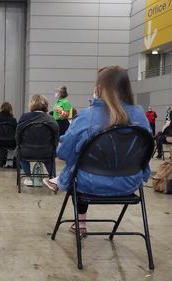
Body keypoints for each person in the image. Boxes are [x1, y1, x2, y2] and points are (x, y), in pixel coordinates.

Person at [42, 66, 151, 237]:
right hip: (130, 182)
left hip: (90, 184)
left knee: (75, 167)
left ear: (99, 88)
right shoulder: (140, 115)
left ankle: (81, 223)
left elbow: (63, 152)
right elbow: (146, 150)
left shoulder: (87, 116)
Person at [17, 95, 59, 186]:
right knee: (50, 157)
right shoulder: (51, 119)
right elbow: (56, 138)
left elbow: (17, 137)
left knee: (19, 153)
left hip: (26, 152)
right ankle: (52, 178)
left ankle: (28, 178)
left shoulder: (24, 118)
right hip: (46, 152)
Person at [0, 102, 17, 168]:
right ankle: (10, 163)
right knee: (14, 144)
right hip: (11, 142)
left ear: (1, 109)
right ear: (11, 109)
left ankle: (1, 160)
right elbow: (16, 132)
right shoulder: (13, 120)